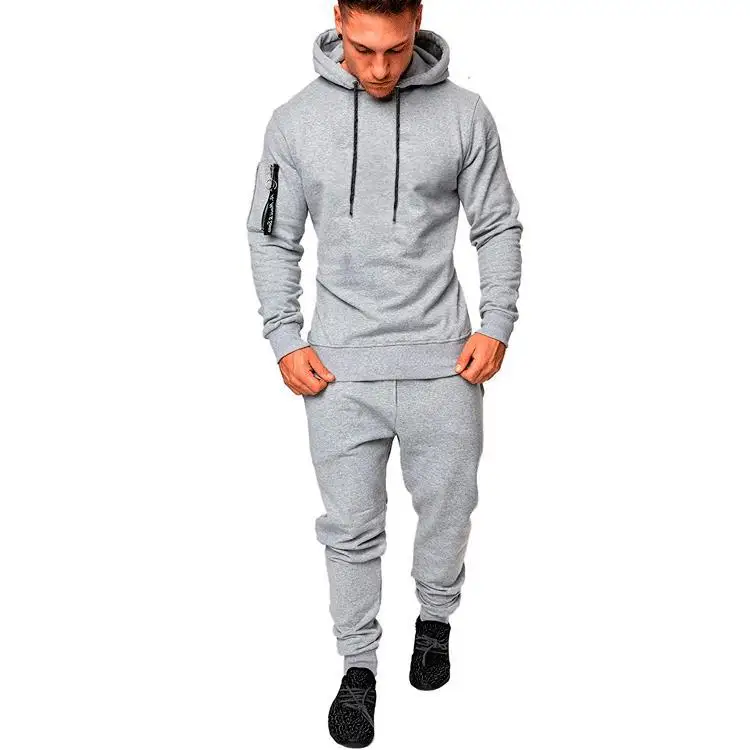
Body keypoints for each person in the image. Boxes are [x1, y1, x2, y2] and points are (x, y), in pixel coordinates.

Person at [247, 1, 522, 746]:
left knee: (448, 511)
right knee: (350, 529)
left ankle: (434, 621)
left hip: (444, 363)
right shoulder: (294, 121)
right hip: (338, 372)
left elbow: (497, 223)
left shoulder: (465, 115)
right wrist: (284, 338)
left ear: (419, 20)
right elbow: (272, 236)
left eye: (396, 50)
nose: (378, 69)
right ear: (338, 18)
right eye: (364, 49)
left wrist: (496, 322)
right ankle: (357, 670)